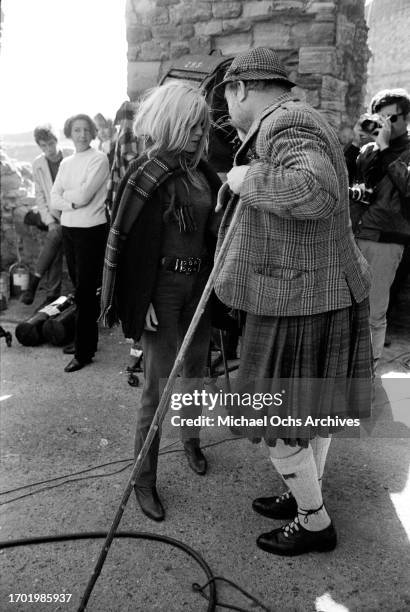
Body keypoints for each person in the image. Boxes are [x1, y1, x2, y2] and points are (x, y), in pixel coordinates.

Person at [214, 47, 372, 556]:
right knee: (310, 413)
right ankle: (304, 493)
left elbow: (315, 193)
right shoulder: (291, 118)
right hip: (315, 290)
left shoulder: (286, 123)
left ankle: (313, 520)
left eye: (226, 97)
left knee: (277, 419)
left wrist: (245, 178)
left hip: (298, 295)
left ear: (240, 88)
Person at [100, 82, 222, 522]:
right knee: (156, 389)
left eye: (202, 124)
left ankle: (190, 439)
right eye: (190, 123)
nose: (197, 131)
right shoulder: (146, 172)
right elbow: (130, 243)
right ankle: (143, 478)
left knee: (196, 373)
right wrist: (141, 299)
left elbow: (213, 229)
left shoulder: (202, 173)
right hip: (163, 290)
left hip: (200, 289)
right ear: (170, 121)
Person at [344, 88, 410, 368]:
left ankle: (367, 372)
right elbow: (344, 177)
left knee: (373, 311)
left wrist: (384, 149)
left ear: (406, 118)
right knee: (346, 308)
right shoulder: (368, 149)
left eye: (391, 118)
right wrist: (355, 143)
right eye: (378, 118)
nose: (384, 125)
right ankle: (346, 369)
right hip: (354, 232)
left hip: (386, 238)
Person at [50, 114, 109, 373]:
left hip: (91, 231)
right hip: (70, 230)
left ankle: (84, 352)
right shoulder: (66, 162)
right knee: (79, 289)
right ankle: (85, 341)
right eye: (77, 130)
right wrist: (69, 201)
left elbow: (85, 196)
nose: (82, 134)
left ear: (92, 132)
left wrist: (68, 200)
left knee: (86, 291)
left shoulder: (99, 159)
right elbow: (54, 198)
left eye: (86, 130)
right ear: (70, 133)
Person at [21, 125, 66, 306]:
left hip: (75, 212)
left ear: (56, 140)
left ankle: (38, 284)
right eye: (43, 146)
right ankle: (52, 294)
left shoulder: (70, 156)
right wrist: (49, 220)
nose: (48, 149)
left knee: (55, 239)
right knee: (54, 240)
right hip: (54, 215)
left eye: (50, 144)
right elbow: (39, 195)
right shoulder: (38, 163)